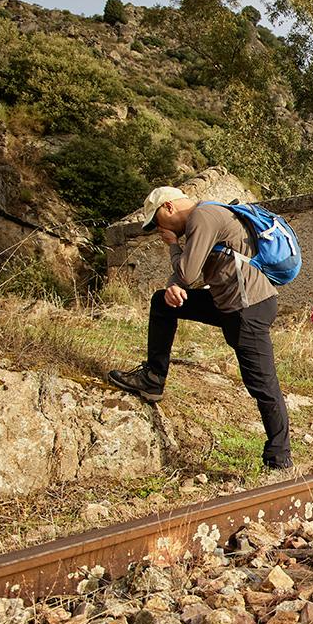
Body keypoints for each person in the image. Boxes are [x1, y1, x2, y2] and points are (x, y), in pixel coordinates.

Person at [108, 186, 292, 470]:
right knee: (162, 303)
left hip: (248, 307)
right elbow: (185, 275)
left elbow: (188, 273)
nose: (158, 229)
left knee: (262, 385)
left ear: (168, 207)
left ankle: (279, 459)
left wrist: (173, 249)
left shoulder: (203, 216)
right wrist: (174, 286)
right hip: (229, 302)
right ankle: (153, 379)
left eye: (157, 222)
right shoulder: (207, 215)